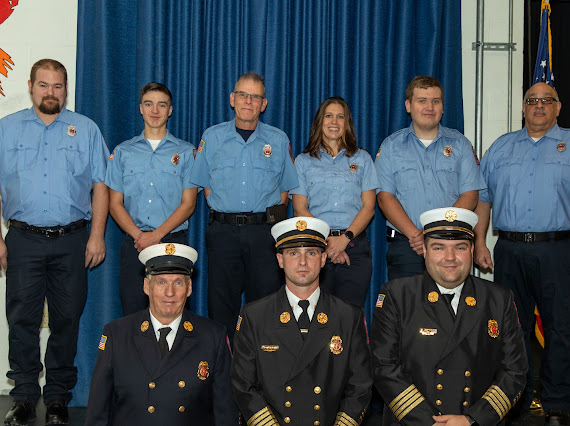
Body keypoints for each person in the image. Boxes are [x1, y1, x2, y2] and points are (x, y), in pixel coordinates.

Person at [0, 59, 109, 425]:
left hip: (73, 240)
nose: (51, 92)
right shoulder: (7, 129)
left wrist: (96, 236)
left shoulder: (87, 129)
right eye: (43, 85)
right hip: (22, 240)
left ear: (66, 89)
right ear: (31, 85)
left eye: (58, 86)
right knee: (22, 321)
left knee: (67, 320)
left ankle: (59, 399)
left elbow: (100, 186)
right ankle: (25, 398)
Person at [371, 207, 527, 426]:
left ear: (472, 250)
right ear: (424, 250)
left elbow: (514, 370)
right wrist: (430, 422)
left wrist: (472, 420)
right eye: (438, 247)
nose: (450, 258)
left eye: (460, 247)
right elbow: (383, 366)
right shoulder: (396, 295)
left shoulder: (498, 299)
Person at [474, 82, 570, 425]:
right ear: (523, 108)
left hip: (558, 249)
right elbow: (483, 198)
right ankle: (518, 397)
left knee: (561, 327)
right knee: (514, 327)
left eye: (547, 101)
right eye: (532, 100)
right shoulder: (501, 147)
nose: (539, 106)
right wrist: (479, 241)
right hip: (510, 249)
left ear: (558, 107)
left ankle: (558, 402)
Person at [231, 217, 372, 426]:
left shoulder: (348, 316)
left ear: (323, 259)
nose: (303, 262)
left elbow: (360, 387)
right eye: (294, 253)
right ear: (280, 260)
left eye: (311, 253)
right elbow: (243, 385)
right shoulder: (255, 315)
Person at [189, 72, 298, 341]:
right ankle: (225, 375)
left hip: (264, 234)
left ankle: (261, 374)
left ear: (264, 104)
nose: (248, 101)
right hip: (223, 233)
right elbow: (205, 184)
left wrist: (266, 221)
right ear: (232, 99)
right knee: (221, 307)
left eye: (255, 96)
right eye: (242, 95)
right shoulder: (212, 138)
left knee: (265, 308)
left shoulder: (278, 140)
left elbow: (285, 192)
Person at [85, 243, 238, 425]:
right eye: (161, 282)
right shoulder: (117, 334)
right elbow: (97, 412)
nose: (170, 292)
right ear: (146, 286)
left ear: (189, 288)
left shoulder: (213, 336)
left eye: (178, 283)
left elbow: (226, 413)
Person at [374, 76, 485, 281]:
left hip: (451, 244)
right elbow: (384, 197)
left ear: (442, 107)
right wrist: (416, 236)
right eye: (422, 100)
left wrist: (437, 232)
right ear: (408, 106)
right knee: (406, 309)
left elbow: (470, 195)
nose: (429, 107)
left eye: (436, 101)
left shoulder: (460, 144)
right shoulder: (391, 146)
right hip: (407, 245)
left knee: (450, 310)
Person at [105, 82, 198, 315]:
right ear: (140, 109)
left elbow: (188, 204)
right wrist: (140, 236)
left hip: (173, 242)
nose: (155, 111)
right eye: (149, 104)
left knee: (172, 313)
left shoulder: (186, 152)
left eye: (161, 105)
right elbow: (114, 203)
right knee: (133, 314)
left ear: (170, 110)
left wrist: (155, 236)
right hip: (134, 244)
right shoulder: (123, 152)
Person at [291, 97, 378, 307]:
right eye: (329, 116)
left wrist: (344, 240)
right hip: (316, 248)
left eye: (341, 117)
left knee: (351, 317)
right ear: (320, 122)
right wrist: (328, 242)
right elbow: (299, 208)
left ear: (347, 123)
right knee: (318, 316)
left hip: (355, 246)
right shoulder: (303, 162)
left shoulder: (363, 159)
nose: (334, 122)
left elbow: (369, 207)